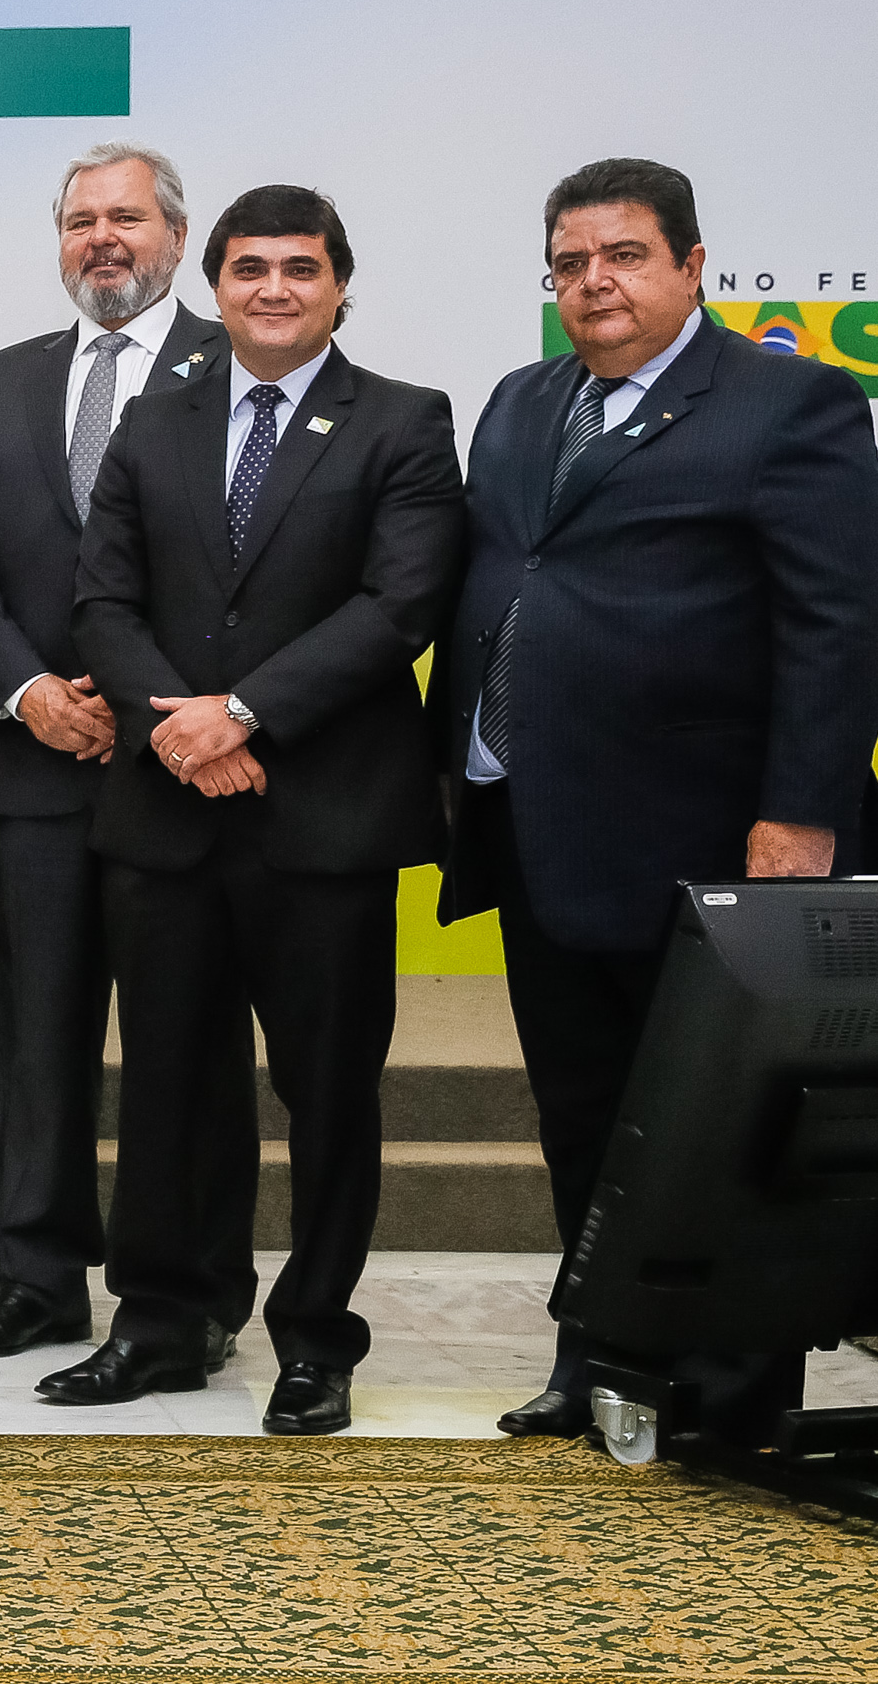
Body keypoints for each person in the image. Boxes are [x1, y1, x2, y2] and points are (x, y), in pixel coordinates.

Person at [431, 158, 878, 1444]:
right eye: (568, 263)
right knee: (579, 1110)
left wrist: (800, 815)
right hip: (532, 822)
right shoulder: (520, 403)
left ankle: (731, 1384)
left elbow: (835, 629)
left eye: (621, 256)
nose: (592, 284)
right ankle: (598, 1355)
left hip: (703, 842)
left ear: (690, 265)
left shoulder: (789, 403)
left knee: (718, 1124)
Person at [41, 185, 463, 1436]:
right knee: (168, 1081)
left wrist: (244, 713)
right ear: (211, 284)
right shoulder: (151, 423)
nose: (270, 288)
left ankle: (314, 1337)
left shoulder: (400, 422)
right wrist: (181, 724)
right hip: (165, 813)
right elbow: (98, 602)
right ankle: (166, 1315)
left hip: (319, 820)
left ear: (339, 282)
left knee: (326, 1090)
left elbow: (399, 607)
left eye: (297, 267)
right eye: (245, 268)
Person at [0, 142, 226, 1358]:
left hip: (181, 776)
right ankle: (37, 1275)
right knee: (37, 1041)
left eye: (125, 217)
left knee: (179, 1050)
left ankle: (187, 1297)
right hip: (30, 768)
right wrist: (26, 689)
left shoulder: (232, 365)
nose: (102, 238)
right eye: (78, 221)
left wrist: (153, 704)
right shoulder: (4, 380)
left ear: (174, 234)